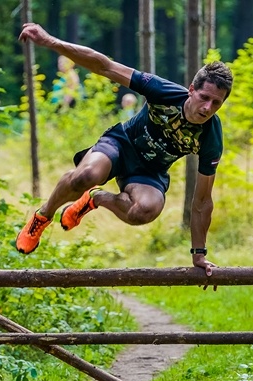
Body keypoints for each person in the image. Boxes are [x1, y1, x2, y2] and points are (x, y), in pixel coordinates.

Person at [15, 23, 233, 276]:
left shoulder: (211, 138)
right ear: (191, 90)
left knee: (146, 211)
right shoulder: (162, 91)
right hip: (120, 144)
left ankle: (96, 199)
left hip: (150, 171)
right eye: (204, 97)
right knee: (86, 176)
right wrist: (51, 41)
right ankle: (42, 217)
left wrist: (199, 255)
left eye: (216, 103)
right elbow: (104, 65)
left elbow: (203, 201)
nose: (207, 108)